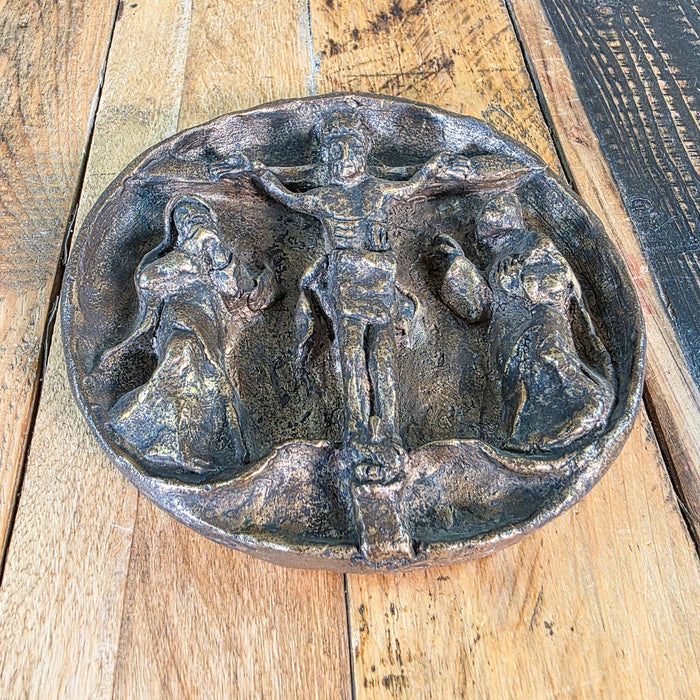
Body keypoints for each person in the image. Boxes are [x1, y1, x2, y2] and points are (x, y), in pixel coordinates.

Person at [211, 110, 477, 479]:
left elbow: (414, 184)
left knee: (381, 355)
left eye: (351, 148)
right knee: (350, 352)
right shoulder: (325, 198)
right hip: (346, 283)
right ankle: (357, 428)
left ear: (364, 153)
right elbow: (286, 197)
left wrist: (437, 166)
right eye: (335, 151)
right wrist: (254, 169)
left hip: (379, 280)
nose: (344, 157)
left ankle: (389, 430)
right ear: (327, 157)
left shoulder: (379, 191)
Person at [95, 195, 274, 475]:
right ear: (177, 230)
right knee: (181, 357)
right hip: (178, 323)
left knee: (209, 378)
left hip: (208, 324)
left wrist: (218, 256)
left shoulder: (217, 256)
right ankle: (158, 435)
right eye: (186, 220)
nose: (193, 224)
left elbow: (235, 287)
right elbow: (147, 280)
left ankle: (204, 447)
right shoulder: (172, 260)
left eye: (197, 219)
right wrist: (187, 262)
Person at [434, 192, 615, 453]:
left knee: (550, 356)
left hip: (538, 316)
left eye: (494, 212)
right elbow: (480, 307)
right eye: (484, 219)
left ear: (511, 216)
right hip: (506, 331)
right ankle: (533, 434)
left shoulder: (536, 245)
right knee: (519, 382)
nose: (487, 221)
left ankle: (588, 404)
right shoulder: (494, 259)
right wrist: (455, 265)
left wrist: (518, 280)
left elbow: (558, 282)